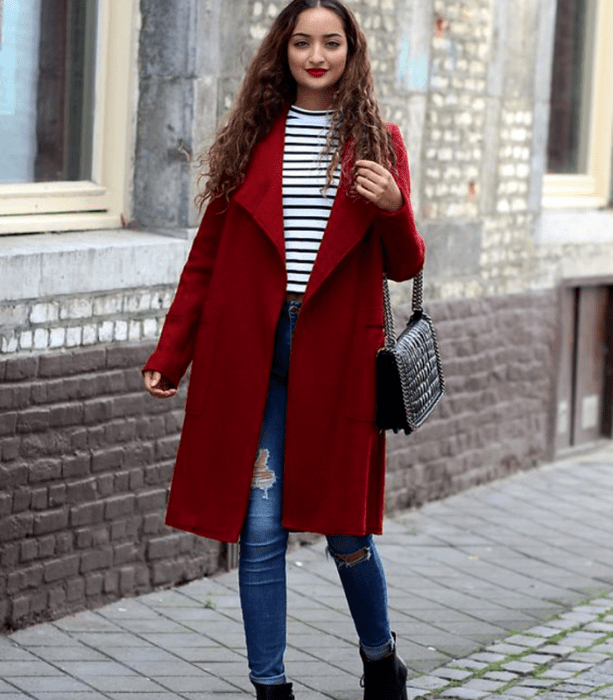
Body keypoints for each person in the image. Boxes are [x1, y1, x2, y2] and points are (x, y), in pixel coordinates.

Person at [142, 1, 425, 698]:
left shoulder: (379, 143)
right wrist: (170, 352)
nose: (316, 55)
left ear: (351, 53)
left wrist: (393, 206)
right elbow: (205, 260)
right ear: (283, 51)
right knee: (259, 528)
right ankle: (269, 685)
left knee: (344, 532)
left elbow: (403, 264)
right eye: (302, 42)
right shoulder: (252, 137)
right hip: (253, 352)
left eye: (330, 42)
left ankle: (379, 657)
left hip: (338, 359)